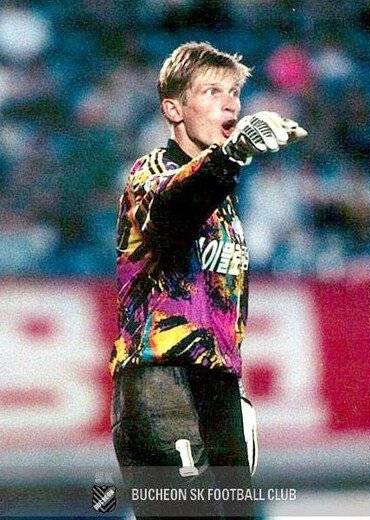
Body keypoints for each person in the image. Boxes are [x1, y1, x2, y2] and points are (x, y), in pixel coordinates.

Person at [109, 42, 307, 519]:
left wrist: (231, 394)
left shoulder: (225, 200)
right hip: (161, 383)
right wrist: (230, 155)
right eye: (212, 91)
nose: (230, 104)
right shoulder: (150, 171)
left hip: (217, 384)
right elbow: (168, 213)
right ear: (173, 109)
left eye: (234, 92)